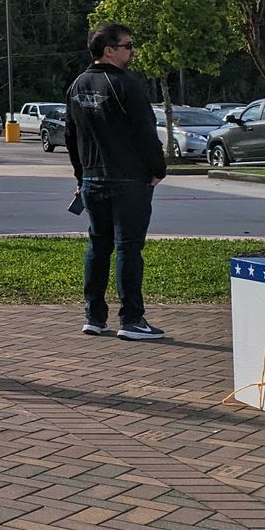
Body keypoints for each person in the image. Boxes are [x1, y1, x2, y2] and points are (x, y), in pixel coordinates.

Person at [66, 22, 169, 340]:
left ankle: (94, 316)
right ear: (109, 50)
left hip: (93, 179)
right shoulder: (125, 85)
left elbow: (71, 136)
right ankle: (132, 320)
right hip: (128, 179)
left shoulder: (77, 85)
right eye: (128, 46)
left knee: (98, 245)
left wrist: (81, 175)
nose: (132, 51)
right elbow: (145, 132)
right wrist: (158, 170)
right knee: (128, 247)